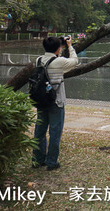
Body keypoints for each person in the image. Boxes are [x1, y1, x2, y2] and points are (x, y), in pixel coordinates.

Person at [33, 36, 78, 171]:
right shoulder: (59, 62)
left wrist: (59, 45)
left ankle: (38, 159)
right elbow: (74, 61)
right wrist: (69, 45)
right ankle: (52, 162)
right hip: (56, 101)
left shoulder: (39, 60)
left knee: (39, 131)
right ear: (58, 48)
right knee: (55, 132)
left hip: (41, 100)